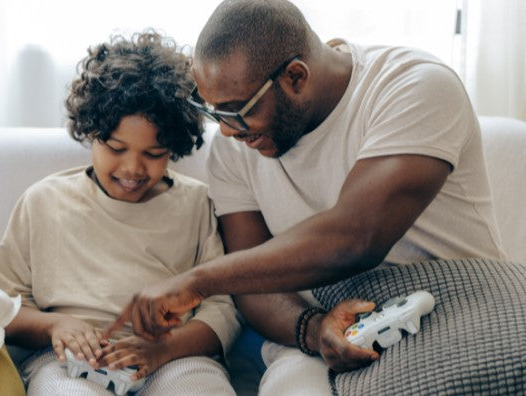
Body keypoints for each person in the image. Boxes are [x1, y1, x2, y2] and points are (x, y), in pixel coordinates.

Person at [108, 0, 506, 392]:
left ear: (296, 77)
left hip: (457, 307)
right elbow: (252, 283)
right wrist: (315, 330)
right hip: (323, 329)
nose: (227, 130)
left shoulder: (413, 85)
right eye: (215, 112)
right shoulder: (233, 149)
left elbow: (355, 236)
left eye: (236, 110)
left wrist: (197, 282)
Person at [0, 31, 240, 395]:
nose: (133, 169)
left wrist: (165, 348)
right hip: (66, 362)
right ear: (91, 133)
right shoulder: (43, 201)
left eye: (154, 154)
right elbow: (2, 307)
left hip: (172, 358)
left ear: (174, 146)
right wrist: (55, 326)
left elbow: (223, 308)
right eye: (116, 148)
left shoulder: (197, 205)